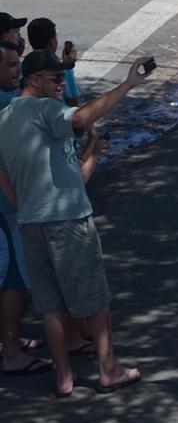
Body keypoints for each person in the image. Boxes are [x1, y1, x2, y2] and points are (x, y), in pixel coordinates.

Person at [0, 50, 153, 397]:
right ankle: (108, 370)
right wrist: (127, 84)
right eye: (55, 79)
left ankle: (64, 377)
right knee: (95, 299)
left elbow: (3, 176)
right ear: (35, 80)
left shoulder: (4, 118)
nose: (60, 85)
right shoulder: (44, 109)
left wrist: (23, 206)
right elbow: (82, 117)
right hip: (67, 219)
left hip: (30, 222)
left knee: (50, 305)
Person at [0, 40, 52, 376]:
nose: (17, 70)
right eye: (10, 65)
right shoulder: (6, 106)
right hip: (7, 208)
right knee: (14, 279)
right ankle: (11, 351)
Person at [27, 17, 80, 105]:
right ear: (51, 42)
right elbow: (73, 103)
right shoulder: (61, 72)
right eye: (55, 37)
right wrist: (68, 68)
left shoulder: (23, 67)